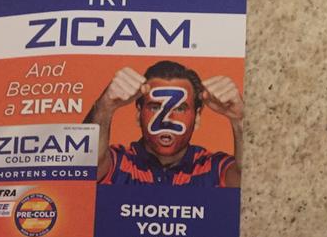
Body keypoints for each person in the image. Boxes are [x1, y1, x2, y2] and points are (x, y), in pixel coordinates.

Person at [85, 60, 243, 187]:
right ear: (139, 114)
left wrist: (240, 118)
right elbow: (83, 167)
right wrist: (104, 107)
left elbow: (245, 177)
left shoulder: (213, 168)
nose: (166, 119)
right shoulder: (119, 162)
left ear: (197, 118)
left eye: (180, 109)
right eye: (155, 107)